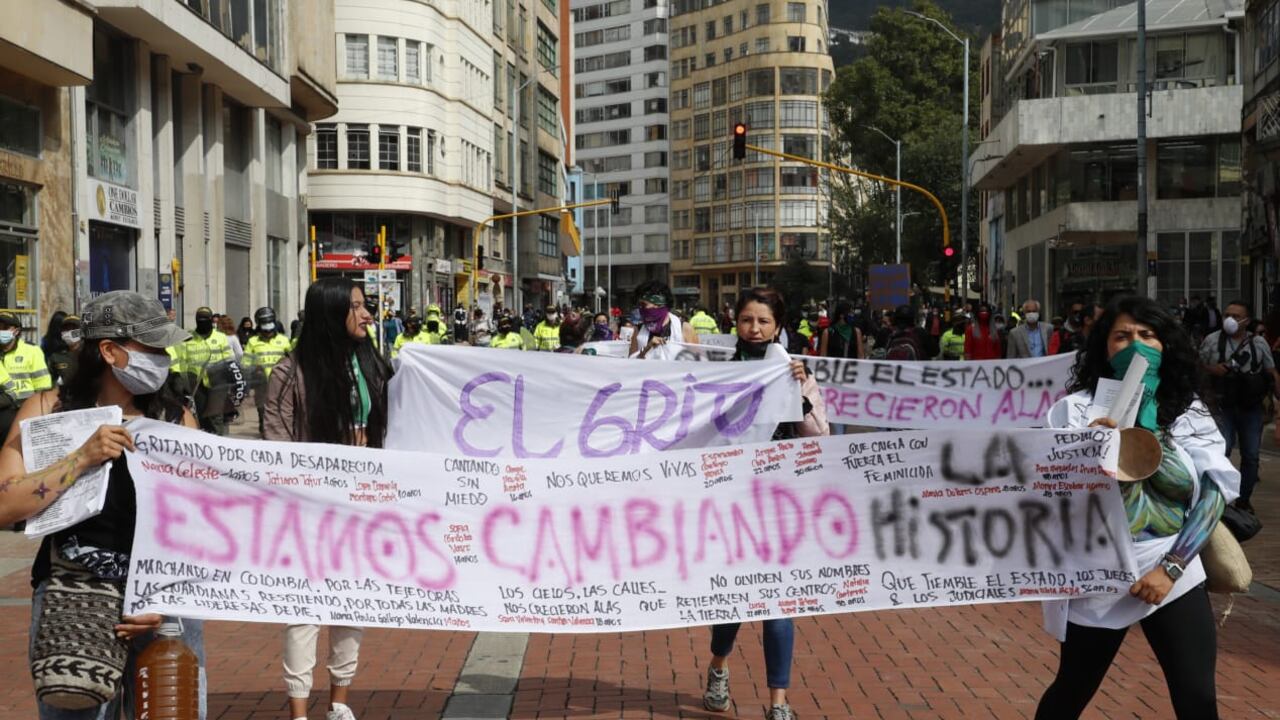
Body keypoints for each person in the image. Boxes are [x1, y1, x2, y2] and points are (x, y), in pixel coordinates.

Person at [0, 291, 206, 719]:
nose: (164, 358)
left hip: (162, 601)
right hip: (72, 600)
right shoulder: (44, 411)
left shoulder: (176, 418)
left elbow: (197, 523)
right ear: (109, 351)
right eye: (152, 348)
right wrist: (82, 457)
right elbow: (6, 505)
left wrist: (159, 598)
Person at [1037, 295, 1235, 720]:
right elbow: (1053, 492)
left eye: (1148, 335)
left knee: (1197, 697)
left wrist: (1172, 568)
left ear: (1167, 345)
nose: (1136, 345)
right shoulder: (1073, 411)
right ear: (1104, 349)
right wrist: (1087, 451)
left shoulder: (1189, 414)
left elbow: (1214, 493)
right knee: (1071, 692)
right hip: (1097, 575)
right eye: (1122, 337)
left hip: (1171, 572)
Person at [263, 277, 392, 720]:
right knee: (305, 606)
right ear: (329, 313)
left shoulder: (373, 363)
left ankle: (339, 704)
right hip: (308, 508)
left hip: (361, 505)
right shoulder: (289, 371)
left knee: (351, 600)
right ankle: (299, 709)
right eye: (355, 307)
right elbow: (276, 439)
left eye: (365, 305)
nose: (366, 315)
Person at [703, 287, 828, 720]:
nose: (754, 329)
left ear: (778, 327)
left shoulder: (795, 373)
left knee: (778, 598)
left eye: (763, 322)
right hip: (729, 500)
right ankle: (719, 664)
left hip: (779, 500)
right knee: (735, 598)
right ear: (733, 323)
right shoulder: (713, 370)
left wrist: (802, 393)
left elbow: (820, 437)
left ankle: (779, 702)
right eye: (746, 320)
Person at [1200, 300, 1277, 515]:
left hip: (1250, 407)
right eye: (1226, 315)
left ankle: (1244, 499)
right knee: (1220, 451)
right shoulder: (1212, 341)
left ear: (1247, 320)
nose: (1230, 319)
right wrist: (1212, 369)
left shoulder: (1258, 343)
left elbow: (1271, 371)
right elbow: (1195, 366)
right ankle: (1219, 498)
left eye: (1236, 315)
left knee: (1251, 455)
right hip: (1221, 405)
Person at [172, 307, 233, 435]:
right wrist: (180, 380)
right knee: (202, 415)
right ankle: (207, 439)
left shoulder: (221, 337)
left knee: (216, 416)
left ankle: (220, 441)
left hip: (217, 382)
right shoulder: (188, 338)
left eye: (206, 319)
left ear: (211, 320)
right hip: (196, 384)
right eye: (200, 320)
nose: (203, 322)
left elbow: (229, 359)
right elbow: (181, 360)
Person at [0, 312, 52, 439]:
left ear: (16, 331)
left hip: (25, 413)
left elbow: (43, 388)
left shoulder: (31, 351)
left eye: (5, 328)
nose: (0, 331)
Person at [243, 307, 292, 438]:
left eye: (270, 327)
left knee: (282, 412)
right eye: (265, 328)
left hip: (282, 383)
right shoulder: (253, 342)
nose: (268, 331)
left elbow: (293, 360)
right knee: (263, 413)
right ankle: (265, 436)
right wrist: (253, 369)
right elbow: (245, 363)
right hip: (261, 384)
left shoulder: (284, 340)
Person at [629, 281, 699, 357]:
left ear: (658, 303)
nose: (641, 309)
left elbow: (696, 362)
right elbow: (632, 362)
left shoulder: (684, 329)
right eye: (639, 305)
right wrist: (647, 348)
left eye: (643, 304)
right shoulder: (638, 331)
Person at [47, 315, 83, 386]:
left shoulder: (90, 353)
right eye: (66, 329)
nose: (69, 332)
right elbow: (50, 381)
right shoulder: (56, 357)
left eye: (73, 328)